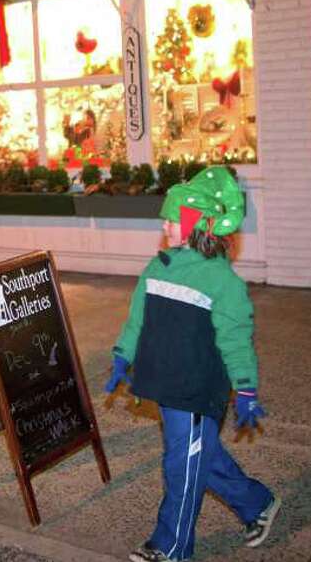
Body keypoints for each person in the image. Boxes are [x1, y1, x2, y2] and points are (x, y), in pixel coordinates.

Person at [105, 166, 280, 562]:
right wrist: (122, 355)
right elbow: (137, 319)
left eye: (172, 218)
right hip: (167, 383)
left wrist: (247, 388)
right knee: (198, 454)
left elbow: (236, 340)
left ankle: (171, 547)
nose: (165, 225)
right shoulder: (159, 268)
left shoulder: (222, 282)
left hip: (197, 388)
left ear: (197, 222)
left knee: (181, 466)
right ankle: (258, 503)